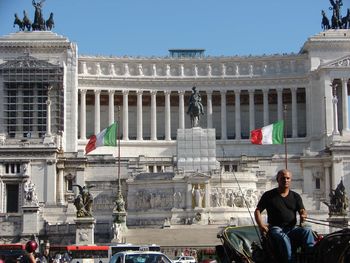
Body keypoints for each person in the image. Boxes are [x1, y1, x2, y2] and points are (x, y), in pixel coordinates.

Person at [254, 169, 315, 263]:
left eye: (288, 178)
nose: (285, 180)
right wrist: (261, 225)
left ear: (290, 180)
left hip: (292, 229)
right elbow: (257, 211)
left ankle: (311, 256)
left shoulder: (296, 196)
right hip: (276, 229)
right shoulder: (268, 195)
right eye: (283, 178)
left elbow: (302, 210)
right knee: (283, 237)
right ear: (278, 179)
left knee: (307, 231)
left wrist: (303, 214)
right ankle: (290, 260)